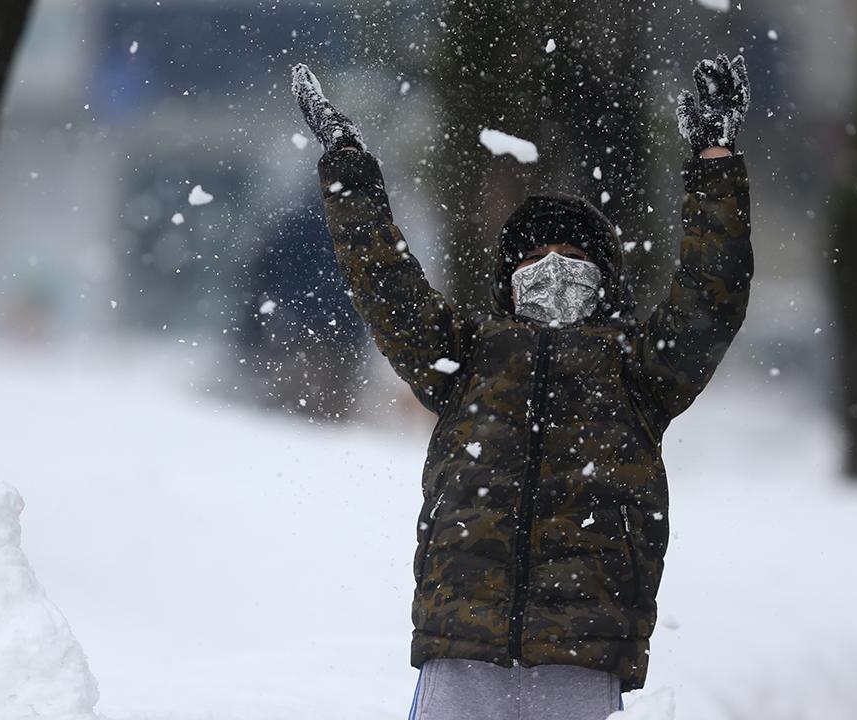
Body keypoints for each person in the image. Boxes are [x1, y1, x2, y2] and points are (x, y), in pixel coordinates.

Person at [291, 54, 752, 719]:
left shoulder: (638, 369)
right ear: (507, 281)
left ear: (606, 280)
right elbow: (388, 287)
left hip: (582, 651)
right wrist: (348, 170)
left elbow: (713, 295)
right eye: (535, 258)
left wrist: (713, 158)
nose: (553, 270)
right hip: (464, 646)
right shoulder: (466, 355)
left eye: (573, 258)